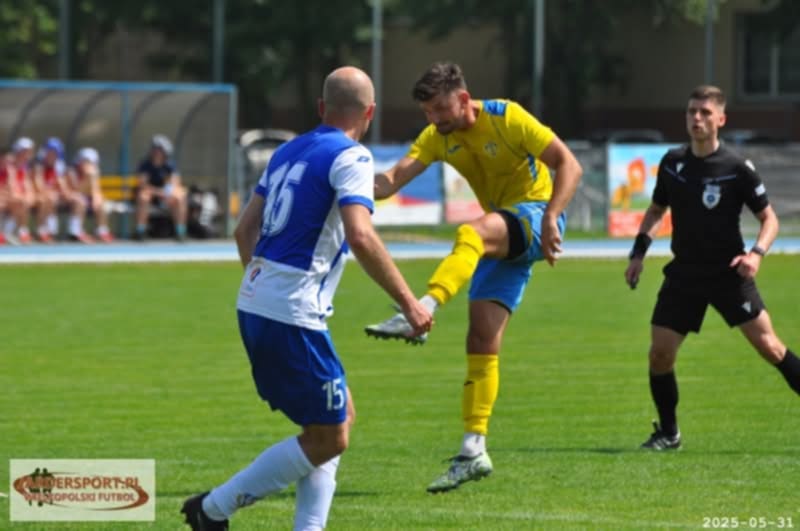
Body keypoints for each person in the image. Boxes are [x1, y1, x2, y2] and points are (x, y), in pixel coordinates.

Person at [180, 66, 433, 531]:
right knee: (330, 437)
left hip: (256, 300)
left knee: (337, 420)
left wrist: (263, 285)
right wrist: (409, 302)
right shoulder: (352, 156)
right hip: (291, 310)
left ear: (321, 108)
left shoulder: (286, 151)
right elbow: (360, 235)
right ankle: (212, 509)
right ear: (370, 114)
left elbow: (244, 230)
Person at [364, 62, 583, 493]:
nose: (434, 119)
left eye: (440, 109)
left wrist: (553, 216)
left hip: (535, 216)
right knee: (481, 339)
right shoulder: (437, 136)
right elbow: (390, 181)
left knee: (471, 233)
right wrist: (341, 180)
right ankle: (473, 450)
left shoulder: (507, 116)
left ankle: (420, 310)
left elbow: (568, 164)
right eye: (428, 112)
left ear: (464, 98)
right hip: (504, 234)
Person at [624, 85, 800, 450]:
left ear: (721, 119)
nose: (697, 118)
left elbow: (769, 219)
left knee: (770, 347)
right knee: (659, 354)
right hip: (685, 274)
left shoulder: (737, 169)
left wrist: (756, 254)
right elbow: (656, 210)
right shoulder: (672, 162)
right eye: (692, 111)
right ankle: (669, 434)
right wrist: (638, 254)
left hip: (728, 274)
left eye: (705, 112)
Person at [133, 135, 187, 241]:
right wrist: (159, 193)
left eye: (159, 149)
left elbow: (175, 183)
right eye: (155, 148)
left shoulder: (170, 165)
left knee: (180, 196)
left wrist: (167, 193)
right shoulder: (145, 165)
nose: (156, 152)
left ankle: (180, 231)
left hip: (165, 196)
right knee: (143, 197)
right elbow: (143, 185)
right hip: (151, 195)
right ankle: (140, 231)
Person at [31, 137, 82, 242]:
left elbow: (63, 186)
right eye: (50, 152)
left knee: (78, 200)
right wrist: (53, 192)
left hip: (56, 196)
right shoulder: (38, 166)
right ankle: (47, 231)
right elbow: (39, 187)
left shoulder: (60, 167)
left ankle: (75, 233)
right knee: (50, 198)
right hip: (41, 197)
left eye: (55, 153)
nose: (52, 155)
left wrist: (66, 193)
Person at [66, 148, 114, 243]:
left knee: (101, 203)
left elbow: (96, 190)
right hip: (72, 200)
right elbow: (77, 190)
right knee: (80, 202)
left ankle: (102, 231)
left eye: (90, 162)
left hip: (88, 201)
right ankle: (75, 232)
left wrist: (97, 199)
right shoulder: (72, 172)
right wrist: (87, 178)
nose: (87, 164)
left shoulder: (94, 173)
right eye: (85, 161)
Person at [2, 137, 36, 244]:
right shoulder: (9, 167)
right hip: (7, 198)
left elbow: (28, 188)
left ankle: (16, 232)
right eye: (24, 151)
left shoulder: (24, 169)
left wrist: (28, 198)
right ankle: (7, 233)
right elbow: (10, 188)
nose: (26, 154)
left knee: (23, 202)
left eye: (28, 152)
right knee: (18, 201)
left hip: (12, 199)